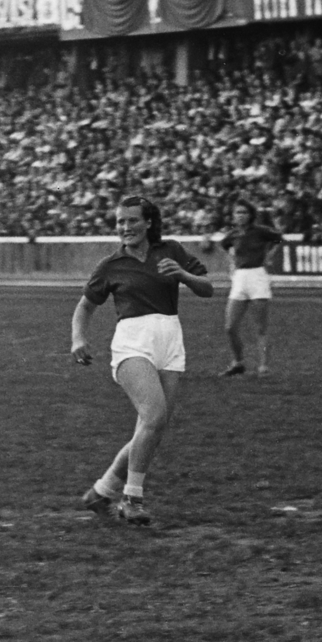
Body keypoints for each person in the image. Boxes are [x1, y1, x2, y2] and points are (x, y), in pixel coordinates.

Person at [70, 194, 214, 527]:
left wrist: (182, 274)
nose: (125, 227)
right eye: (120, 221)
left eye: (132, 220)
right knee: (154, 415)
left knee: (152, 426)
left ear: (149, 222)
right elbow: (85, 307)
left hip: (170, 339)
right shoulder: (111, 265)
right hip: (132, 342)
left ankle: (101, 492)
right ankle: (132, 499)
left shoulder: (172, 250)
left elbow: (207, 289)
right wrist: (79, 338)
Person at [218, 202, 284, 377]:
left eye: (244, 212)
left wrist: (269, 255)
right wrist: (232, 262)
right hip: (240, 278)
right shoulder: (232, 235)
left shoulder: (261, 231)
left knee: (260, 326)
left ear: (251, 215)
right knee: (230, 326)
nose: (241, 215)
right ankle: (238, 361)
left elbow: (278, 238)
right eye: (238, 212)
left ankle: (263, 365)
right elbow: (225, 247)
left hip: (257, 276)